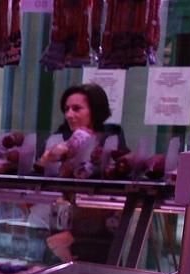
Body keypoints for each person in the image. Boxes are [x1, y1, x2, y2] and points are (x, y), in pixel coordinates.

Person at [39, 84, 128, 263]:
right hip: (59, 231)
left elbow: (117, 188)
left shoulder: (111, 140)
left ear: (94, 110)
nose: (69, 114)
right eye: (66, 109)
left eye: (77, 108)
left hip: (96, 235)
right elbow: (39, 173)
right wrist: (49, 157)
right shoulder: (58, 139)